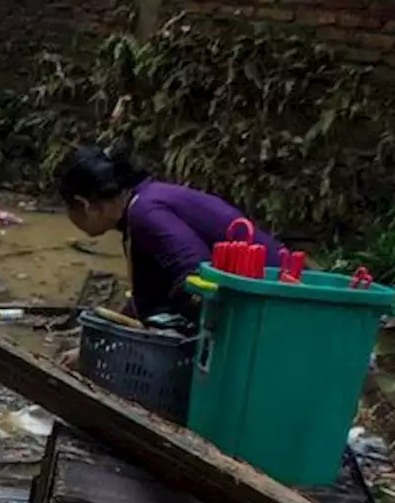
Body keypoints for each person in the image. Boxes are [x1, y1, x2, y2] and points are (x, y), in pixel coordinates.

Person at [56, 144, 285, 366]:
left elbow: (197, 275)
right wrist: (96, 348)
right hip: (270, 302)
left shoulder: (145, 212)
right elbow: (145, 297)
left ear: (83, 204)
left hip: (275, 309)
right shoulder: (142, 205)